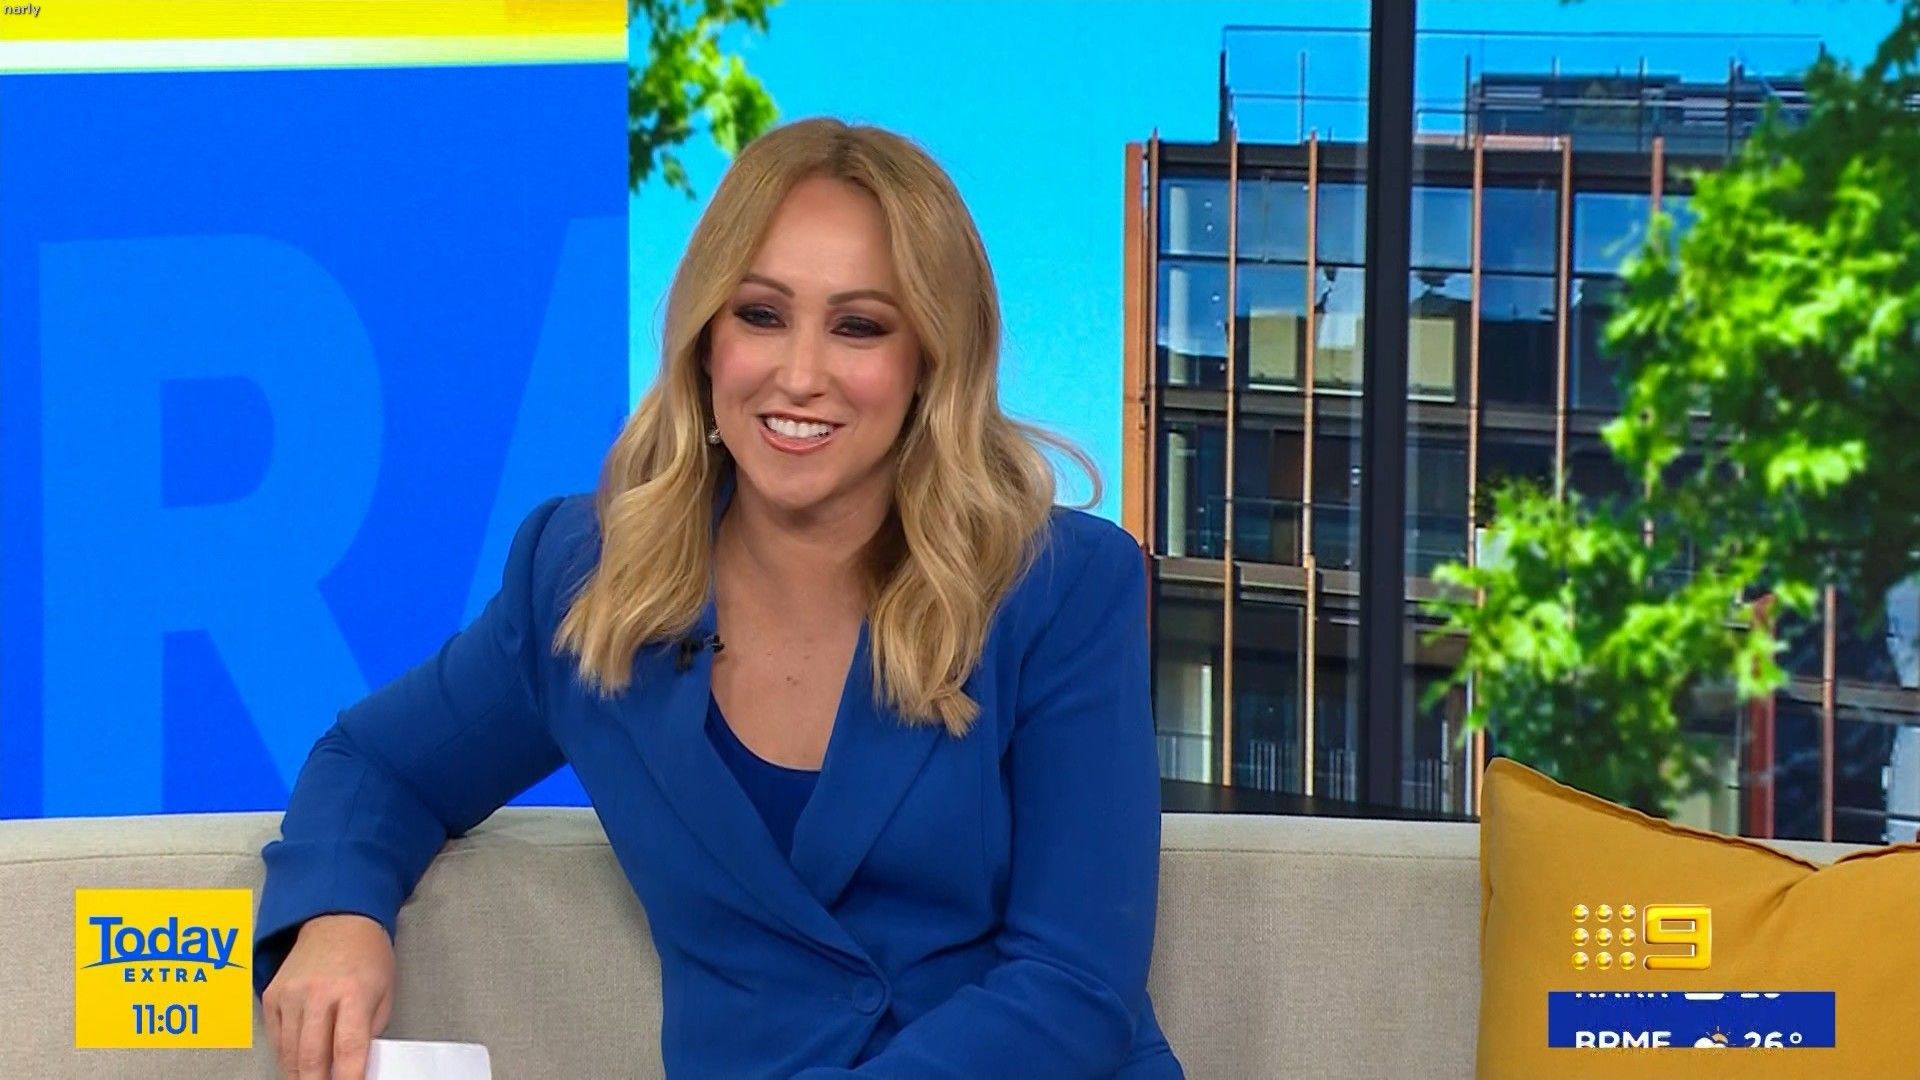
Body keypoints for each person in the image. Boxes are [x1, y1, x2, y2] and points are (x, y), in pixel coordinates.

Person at [255, 116, 1182, 1080]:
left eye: (859, 326)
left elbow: (1074, 986)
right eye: (761, 315)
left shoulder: (1059, 586)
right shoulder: (585, 580)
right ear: (705, 342)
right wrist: (340, 914)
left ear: (930, 363)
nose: (800, 375)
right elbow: (377, 762)